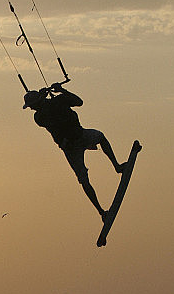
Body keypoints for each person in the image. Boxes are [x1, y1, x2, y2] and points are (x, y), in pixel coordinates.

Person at [23, 83, 126, 220]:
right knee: (83, 179)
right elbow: (50, 116)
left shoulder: (56, 102)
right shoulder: (39, 117)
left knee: (100, 137)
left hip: (80, 136)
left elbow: (79, 102)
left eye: (32, 105)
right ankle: (102, 212)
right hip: (70, 147)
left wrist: (62, 91)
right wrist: (54, 95)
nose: (31, 109)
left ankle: (117, 166)